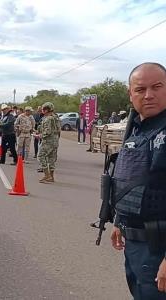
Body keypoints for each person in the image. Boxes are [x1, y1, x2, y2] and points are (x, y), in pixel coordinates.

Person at [110, 62, 166, 299]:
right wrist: (119, 221)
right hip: (136, 245)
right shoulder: (137, 130)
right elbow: (130, 179)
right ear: (130, 94)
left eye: (157, 87)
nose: (149, 95)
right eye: (141, 89)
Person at [36, 102, 60, 183]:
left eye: (43, 109)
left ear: (46, 110)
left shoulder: (48, 118)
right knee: (51, 159)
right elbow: (58, 129)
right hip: (55, 140)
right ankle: (51, 177)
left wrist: (39, 136)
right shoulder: (56, 117)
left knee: (40, 156)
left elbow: (48, 131)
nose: (42, 111)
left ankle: (47, 175)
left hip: (48, 141)